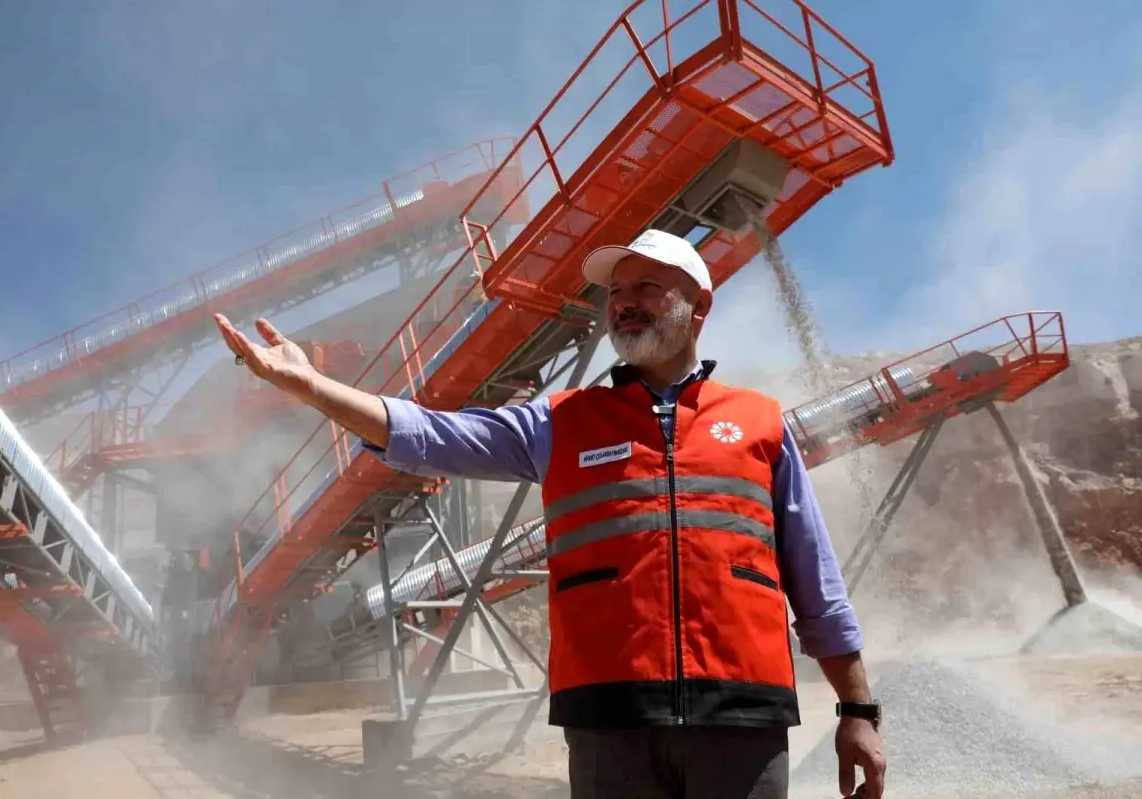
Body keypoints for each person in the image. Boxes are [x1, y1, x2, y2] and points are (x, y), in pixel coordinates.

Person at [213, 228, 887, 799]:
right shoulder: (561, 422)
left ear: (699, 305)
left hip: (742, 721)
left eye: (647, 287)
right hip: (609, 724)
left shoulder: (760, 422)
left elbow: (816, 580)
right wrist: (314, 388)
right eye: (616, 292)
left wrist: (857, 707)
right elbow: (431, 434)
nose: (624, 303)